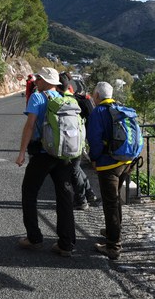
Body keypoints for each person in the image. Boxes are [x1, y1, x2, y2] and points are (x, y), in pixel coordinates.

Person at [15, 66, 76, 257]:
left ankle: (34, 237)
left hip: (43, 153)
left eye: (39, 78)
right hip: (64, 154)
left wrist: (22, 152)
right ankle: (66, 244)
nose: (36, 81)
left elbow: (30, 126)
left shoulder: (37, 97)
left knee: (29, 192)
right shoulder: (65, 98)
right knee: (65, 197)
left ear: (47, 81)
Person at [86, 81, 136, 260]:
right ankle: (112, 231)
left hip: (108, 164)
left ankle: (113, 245)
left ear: (97, 96)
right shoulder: (120, 108)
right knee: (115, 200)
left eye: (94, 94)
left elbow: (94, 139)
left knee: (110, 203)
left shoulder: (98, 112)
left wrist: (94, 158)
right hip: (126, 160)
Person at [57, 72, 99, 211]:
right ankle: (89, 193)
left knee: (73, 170)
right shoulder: (80, 99)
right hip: (80, 139)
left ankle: (81, 200)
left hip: (70, 141)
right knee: (76, 168)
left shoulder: (63, 100)